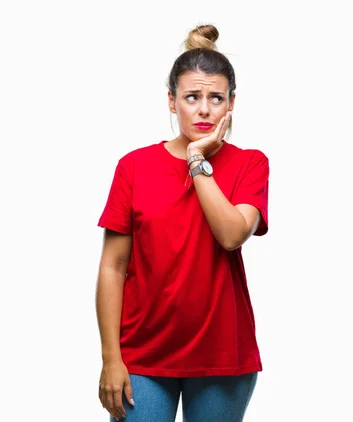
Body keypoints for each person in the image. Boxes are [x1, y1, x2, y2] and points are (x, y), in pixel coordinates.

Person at [95, 24, 269, 422]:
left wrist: (196, 159)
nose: (205, 109)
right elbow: (113, 266)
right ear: (172, 102)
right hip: (141, 354)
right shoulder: (134, 166)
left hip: (223, 356)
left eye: (216, 98)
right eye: (192, 97)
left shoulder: (250, 163)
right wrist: (110, 358)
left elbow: (230, 235)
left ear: (231, 103)